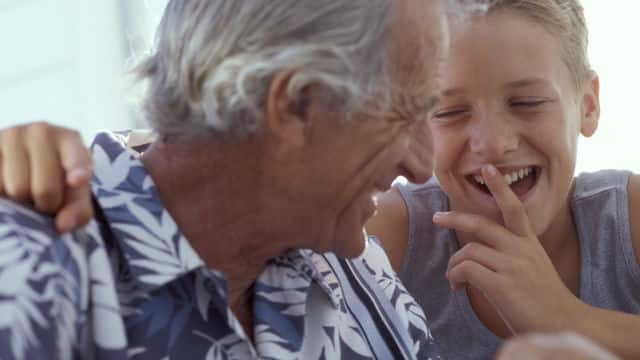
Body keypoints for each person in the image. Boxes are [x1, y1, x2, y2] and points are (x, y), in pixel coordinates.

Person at [0, 0, 449, 358]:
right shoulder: (31, 273)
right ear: (293, 105)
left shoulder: (350, 261)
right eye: (405, 114)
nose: (422, 166)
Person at [365, 0, 640, 358]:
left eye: (527, 102)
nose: (492, 144)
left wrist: (566, 317)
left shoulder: (628, 222)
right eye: (450, 111)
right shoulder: (385, 239)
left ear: (587, 105)